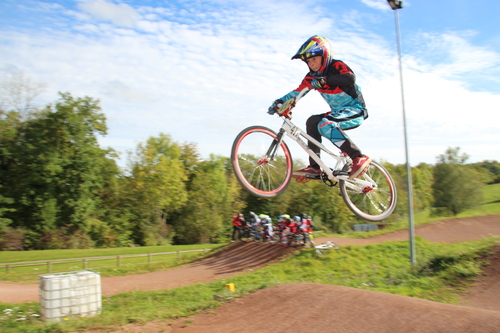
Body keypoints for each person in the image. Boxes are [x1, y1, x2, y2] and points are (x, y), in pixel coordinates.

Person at [268, 35, 371, 180]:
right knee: (312, 121)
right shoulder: (311, 77)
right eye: (308, 61)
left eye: (314, 59)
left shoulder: (336, 66)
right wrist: (279, 102)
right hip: (337, 112)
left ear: (325, 56)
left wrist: (326, 80)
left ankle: (358, 157)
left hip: (355, 109)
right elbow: (297, 92)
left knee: (325, 124)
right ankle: (315, 167)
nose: (312, 64)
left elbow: (350, 79)